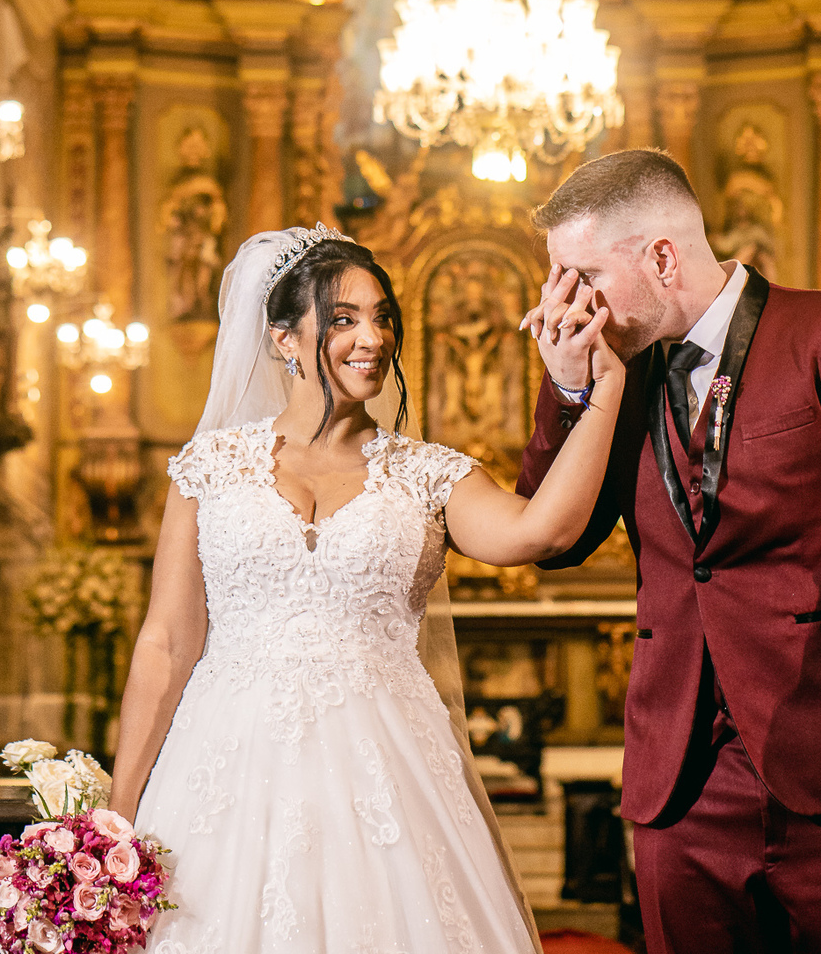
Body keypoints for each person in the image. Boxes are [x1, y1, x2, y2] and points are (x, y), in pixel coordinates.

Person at [110, 223, 624, 954]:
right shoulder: (209, 469)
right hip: (226, 768)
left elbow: (541, 532)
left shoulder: (427, 474)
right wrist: (115, 816)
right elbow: (164, 642)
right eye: (344, 319)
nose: (373, 338)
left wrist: (602, 390)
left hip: (386, 775)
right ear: (284, 339)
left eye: (383, 318)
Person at [516, 149, 821, 954]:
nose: (566, 302)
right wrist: (569, 389)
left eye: (582, 275)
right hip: (682, 784)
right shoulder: (617, 373)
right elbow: (557, 541)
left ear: (661, 257)